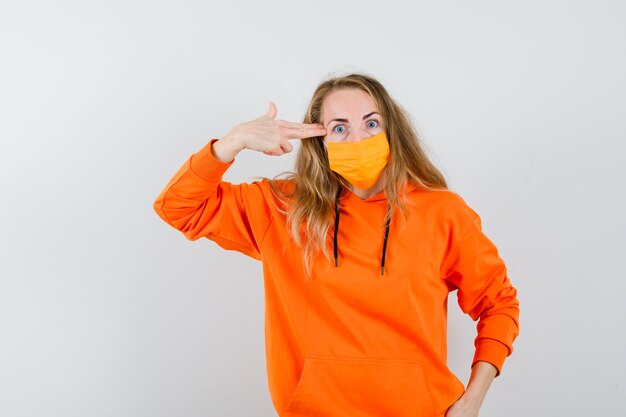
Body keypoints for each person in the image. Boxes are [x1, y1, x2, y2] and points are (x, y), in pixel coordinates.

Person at [153, 73, 520, 417]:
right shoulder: (282, 209)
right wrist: (232, 142)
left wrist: (473, 400)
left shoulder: (442, 212)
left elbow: (498, 303)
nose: (358, 139)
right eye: (339, 128)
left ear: (392, 131)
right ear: (318, 139)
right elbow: (178, 207)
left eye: (371, 124)